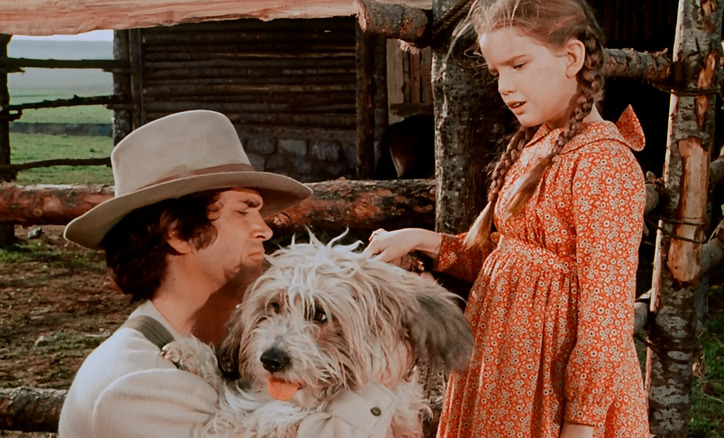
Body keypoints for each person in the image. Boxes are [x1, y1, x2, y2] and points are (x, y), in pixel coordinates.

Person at [364, 0, 650, 437]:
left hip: (552, 396)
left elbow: (606, 318)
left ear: (571, 58)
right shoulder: (541, 146)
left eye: (519, 64)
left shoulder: (603, 165)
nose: (505, 86)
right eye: (498, 72)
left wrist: (581, 423)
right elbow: (509, 265)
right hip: (504, 379)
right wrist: (420, 239)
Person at [59, 110, 400, 438]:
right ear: (178, 233)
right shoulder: (137, 388)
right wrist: (381, 380)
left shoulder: (220, 352)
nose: (265, 231)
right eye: (244, 212)